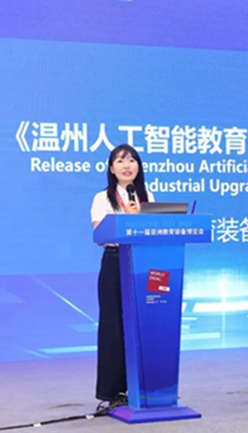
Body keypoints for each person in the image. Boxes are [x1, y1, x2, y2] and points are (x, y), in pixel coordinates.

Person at [90, 144, 154, 412]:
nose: (127, 166)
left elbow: (154, 230)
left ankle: (143, 386)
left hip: (142, 263)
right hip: (115, 263)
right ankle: (113, 390)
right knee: (114, 326)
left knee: (142, 325)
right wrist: (127, 219)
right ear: (111, 168)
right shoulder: (102, 198)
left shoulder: (147, 196)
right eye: (120, 161)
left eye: (132, 160)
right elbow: (99, 235)